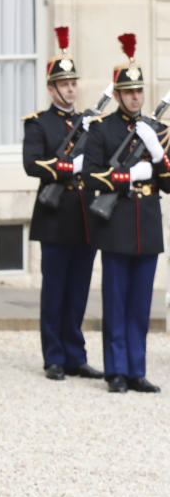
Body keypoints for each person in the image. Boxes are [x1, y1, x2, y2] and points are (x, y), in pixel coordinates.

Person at [83, 33, 170, 393]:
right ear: (117, 95)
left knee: (140, 304)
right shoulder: (104, 129)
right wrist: (127, 176)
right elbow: (90, 177)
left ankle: (137, 369)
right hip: (117, 221)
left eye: (139, 92)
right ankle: (115, 370)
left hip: (147, 223)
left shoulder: (158, 130)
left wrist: (159, 155)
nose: (135, 97)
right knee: (116, 301)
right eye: (129, 92)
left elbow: (167, 183)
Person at [22, 26, 104, 382]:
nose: (71, 89)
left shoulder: (91, 122)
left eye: (73, 83)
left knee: (79, 288)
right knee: (54, 289)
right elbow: (32, 163)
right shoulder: (39, 123)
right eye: (64, 84)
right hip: (55, 215)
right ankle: (53, 356)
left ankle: (75, 354)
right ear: (51, 88)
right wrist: (67, 166)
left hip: (86, 215)